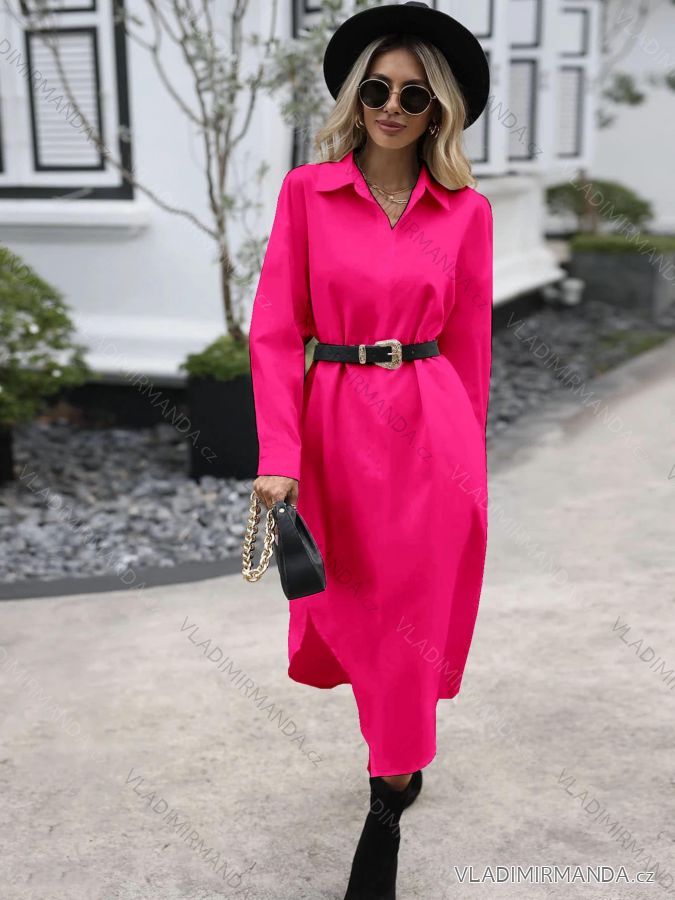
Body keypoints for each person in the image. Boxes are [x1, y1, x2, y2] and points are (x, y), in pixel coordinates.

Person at [248, 2, 493, 896]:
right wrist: (279, 454)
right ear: (356, 97)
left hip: (432, 429)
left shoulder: (466, 212)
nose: (393, 107)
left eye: (414, 95)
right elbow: (276, 332)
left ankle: (385, 799)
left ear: (438, 111)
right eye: (378, 89)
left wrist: (471, 468)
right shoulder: (306, 194)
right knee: (354, 605)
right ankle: (396, 753)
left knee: (413, 617)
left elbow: (470, 347)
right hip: (335, 426)